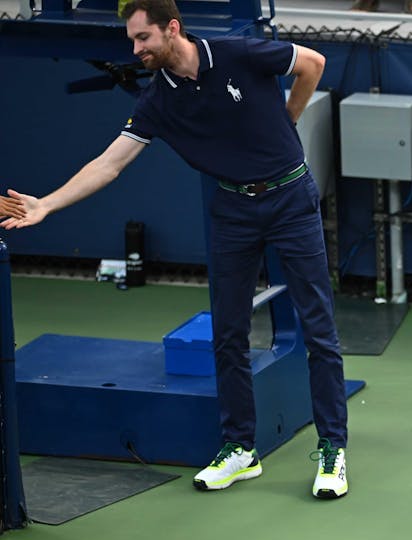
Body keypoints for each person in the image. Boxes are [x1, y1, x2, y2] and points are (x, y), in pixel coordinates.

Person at [0, 0, 349, 499]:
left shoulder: (237, 53)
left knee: (318, 327)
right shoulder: (157, 101)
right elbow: (109, 164)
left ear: (172, 29)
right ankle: (239, 449)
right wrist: (47, 205)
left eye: (143, 38)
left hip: (290, 198)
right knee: (228, 332)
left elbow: (312, 63)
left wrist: (287, 117)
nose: (136, 49)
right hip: (233, 210)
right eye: (132, 42)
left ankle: (333, 449)